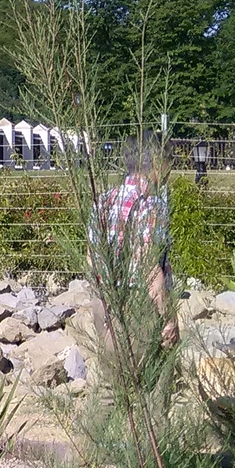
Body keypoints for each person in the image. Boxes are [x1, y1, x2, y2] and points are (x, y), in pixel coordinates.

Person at [90, 138, 177, 351]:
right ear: (157, 163)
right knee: (145, 379)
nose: (170, 170)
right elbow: (148, 267)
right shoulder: (151, 206)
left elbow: (90, 258)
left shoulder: (103, 200)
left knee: (112, 376)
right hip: (137, 306)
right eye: (169, 162)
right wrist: (169, 319)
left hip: (104, 301)